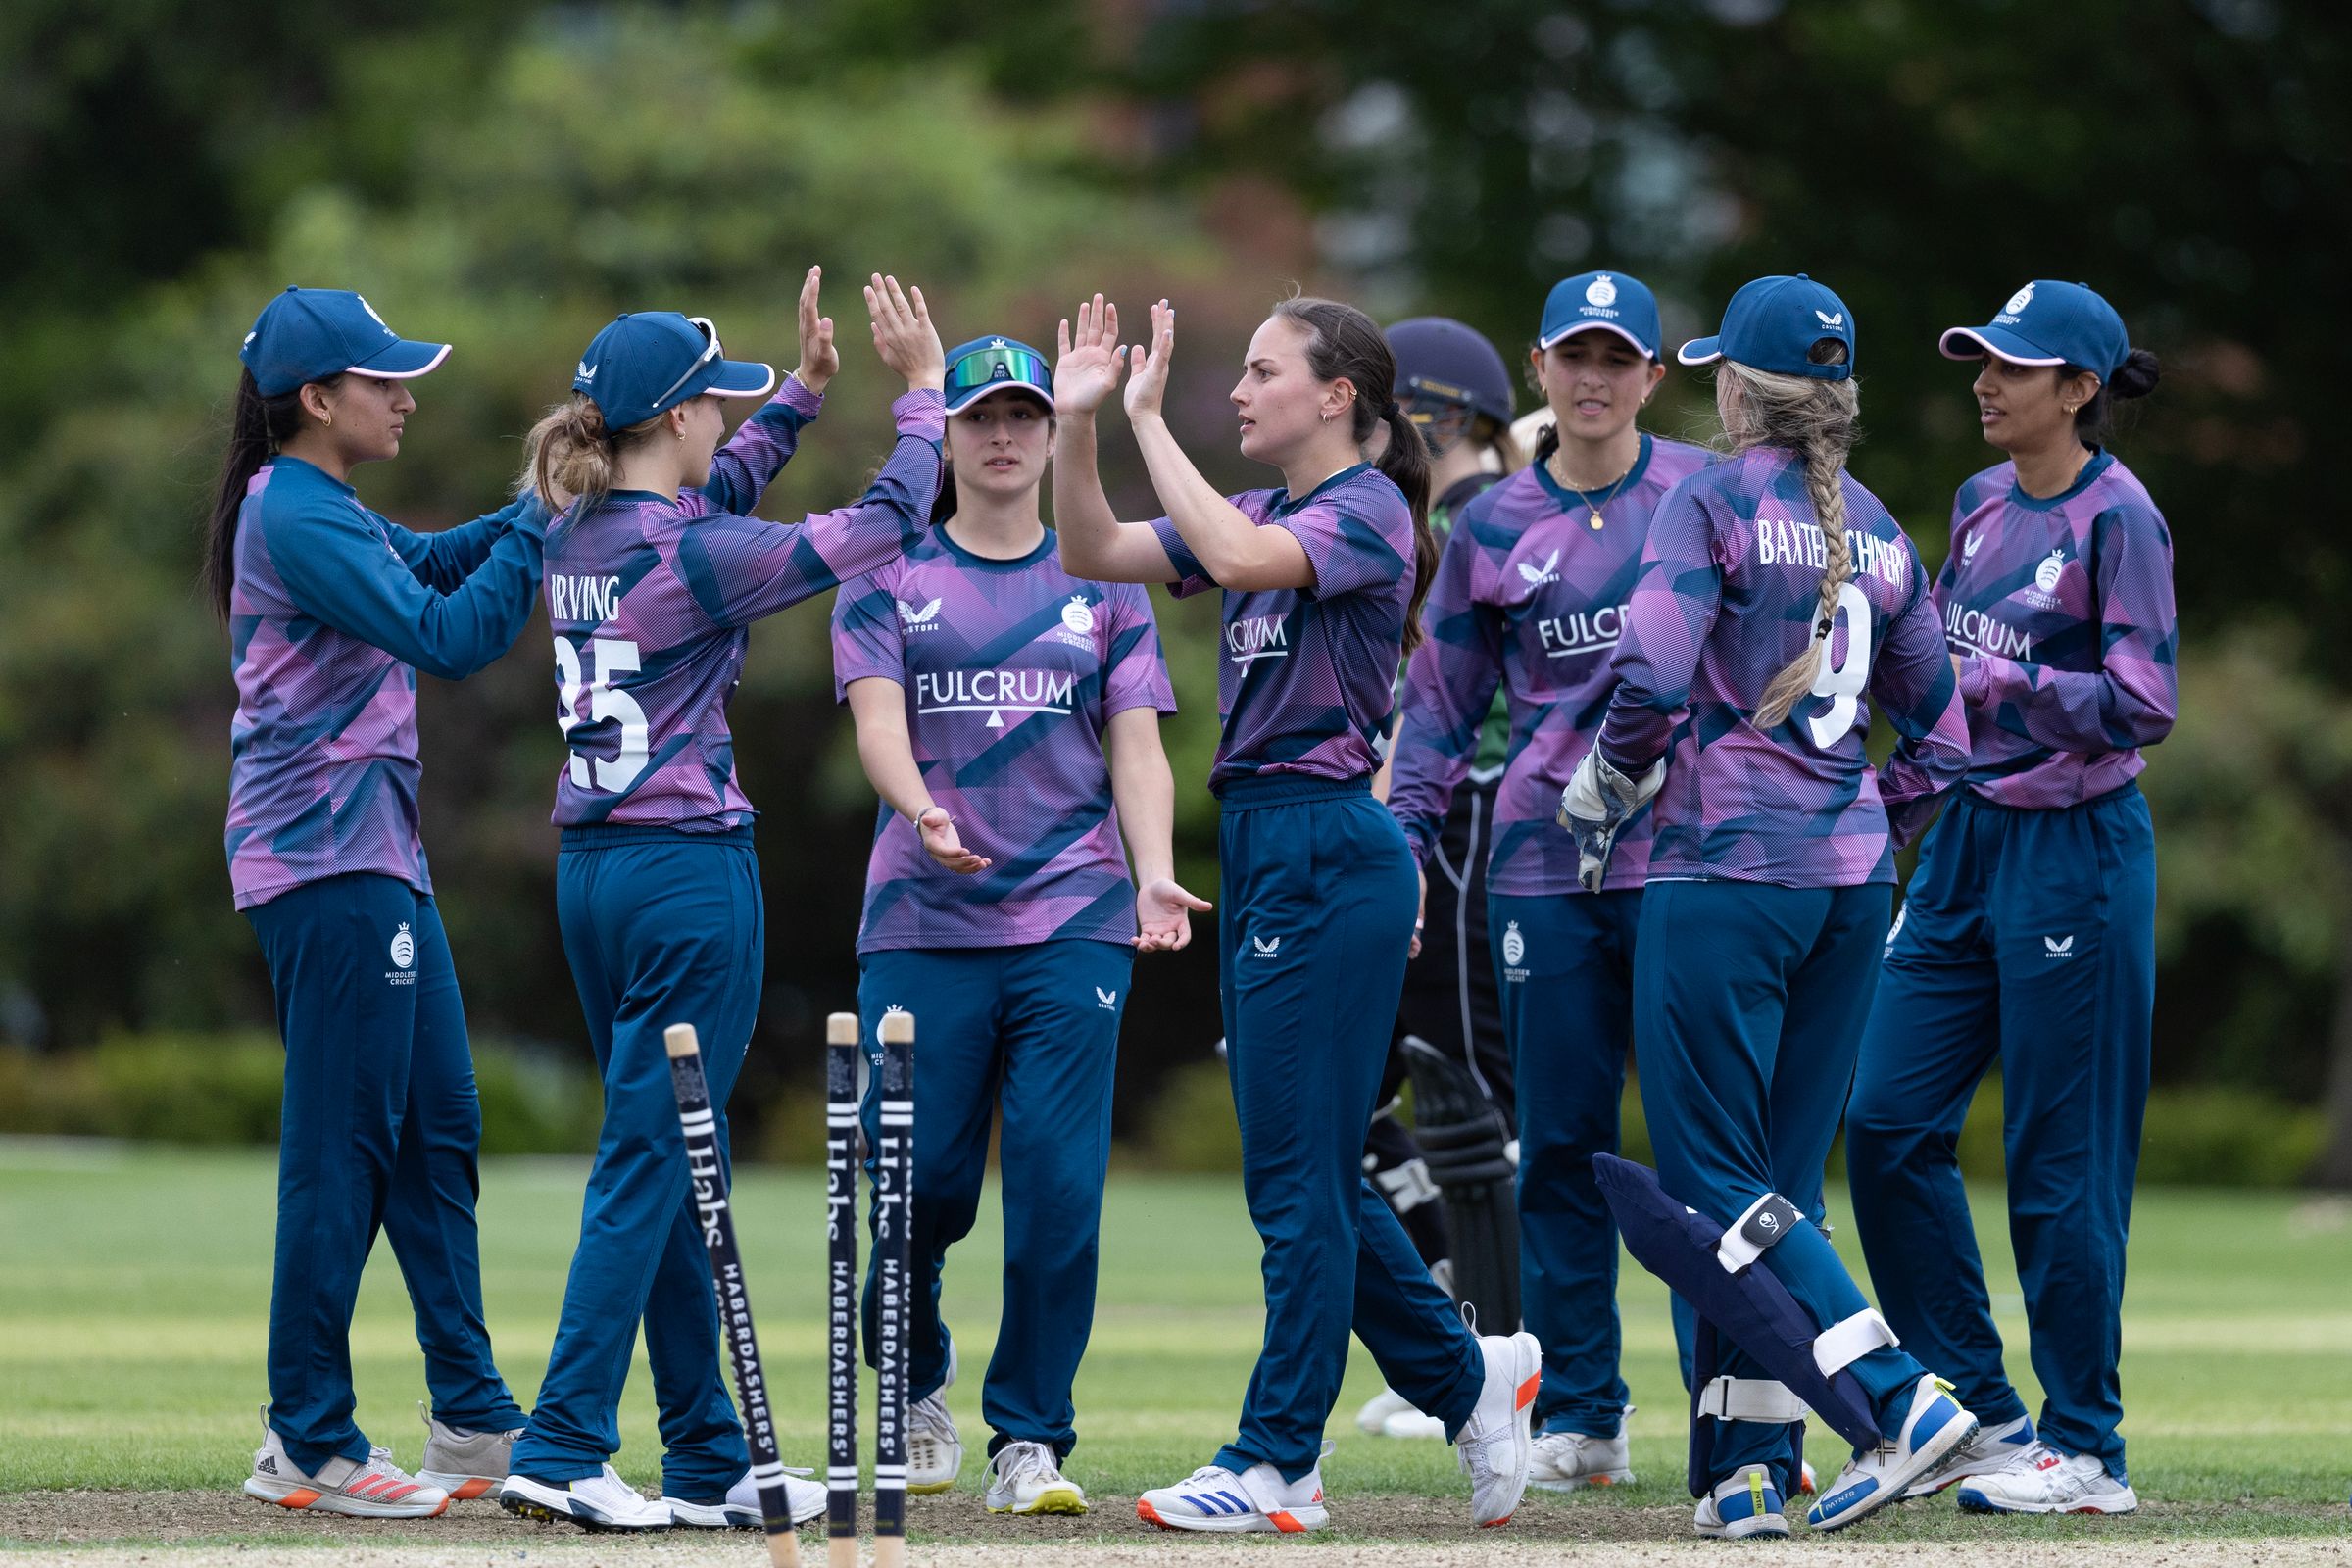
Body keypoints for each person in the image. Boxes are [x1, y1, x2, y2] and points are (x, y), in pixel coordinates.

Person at [1051, 291, 1541, 1535]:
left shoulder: (1369, 509)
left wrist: (1150, 417)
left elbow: (1225, 560)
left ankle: (1280, 1457)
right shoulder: (1267, 507)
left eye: (1263, 372)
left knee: (1294, 1182)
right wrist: (1076, 426)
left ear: (1337, 398)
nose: (1240, 390)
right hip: (1278, 848)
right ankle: (1465, 1373)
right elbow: (1091, 551)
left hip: (1326, 844)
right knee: (1308, 1172)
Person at [496, 272, 947, 1532]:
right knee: (654, 1157)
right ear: (678, 417)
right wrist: (921, 399)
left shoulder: (576, 526)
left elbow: (719, 506)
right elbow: (875, 529)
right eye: (719, 402)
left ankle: (707, 1455)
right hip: (687, 870)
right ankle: (565, 1439)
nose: (724, 421)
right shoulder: (685, 545)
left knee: (670, 1160)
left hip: (591, 871)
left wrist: (798, 399)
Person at [1561, 274, 1975, 1537]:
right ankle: (1751, 1469)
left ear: (1735, 388)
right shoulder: (1887, 528)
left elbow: (1651, 666)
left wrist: (1608, 782)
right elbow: (1948, 743)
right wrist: (1859, 823)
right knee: (1771, 1188)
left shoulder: (1709, 499)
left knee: (1709, 1173)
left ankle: (1900, 1399)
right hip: (1852, 887)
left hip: (1722, 878)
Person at [832, 333, 1208, 1519]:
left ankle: (1030, 1437)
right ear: (944, 433)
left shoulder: (1105, 580)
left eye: (1024, 417)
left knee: (1055, 1190)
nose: (1002, 436)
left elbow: (1138, 746)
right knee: (916, 1186)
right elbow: (879, 722)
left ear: (1053, 434)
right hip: (922, 917)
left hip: (1073, 919)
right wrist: (920, 804)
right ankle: (919, 1376)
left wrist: (1153, 873)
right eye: (979, 416)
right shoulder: (886, 572)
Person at [212, 286, 544, 1517]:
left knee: (436, 1127)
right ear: (317, 399)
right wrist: (539, 527)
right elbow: (450, 634)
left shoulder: (324, 504)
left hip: (378, 860)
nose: (405, 396)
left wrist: (535, 507)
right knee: (344, 1150)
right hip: (326, 864)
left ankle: (467, 1414)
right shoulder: (295, 511)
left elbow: (440, 560)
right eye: (385, 381)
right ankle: (306, 1436)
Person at [1843, 281, 2171, 1517]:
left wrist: (2014, 680)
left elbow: (2144, 700)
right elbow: (1938, 690)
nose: (1985, 382)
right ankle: (1982, 1414)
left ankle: (2088, 1452)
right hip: (1969, 842)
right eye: (1979, 361)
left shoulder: (2116, 516)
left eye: (2012, 368)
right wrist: (1892, 814)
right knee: (1883, 1122)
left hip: (2079, 851)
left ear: (2077, 391)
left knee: (2058, 1164)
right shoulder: (1980, 503)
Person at [1389, 272, 1712, 1489]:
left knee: (1697, 1154)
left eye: (1617, 357)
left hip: (1687, 866)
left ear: (1651, 376)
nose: (1594, 377)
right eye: (1574, 355)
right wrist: (1404, 847)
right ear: (1539, 367)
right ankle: (1584, 1409)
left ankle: (1730, 1401)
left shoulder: (1701, 493)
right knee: (1562, 1145)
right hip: (1537, 871)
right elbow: (1438, 713)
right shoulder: (1487, 528)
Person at [1352, 315, 1521, 1446]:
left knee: (1469, 1090)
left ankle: (1491, 1357)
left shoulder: (1472, 521)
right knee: (1359, 1097)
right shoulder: (1421, 522)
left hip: (1472, 819)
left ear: (1430, 413)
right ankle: (1456, 1341)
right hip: (1427, 823)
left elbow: (1441, 699)